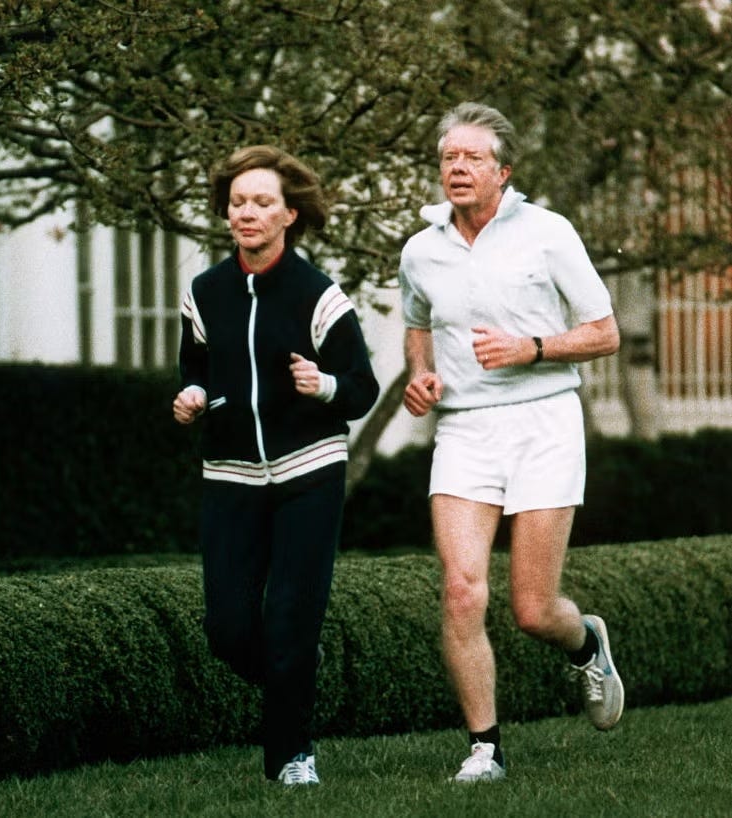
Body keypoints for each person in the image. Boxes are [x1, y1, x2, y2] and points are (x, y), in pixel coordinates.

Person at [399, 102, 624, 783]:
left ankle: (584, 641)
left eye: (472, 158)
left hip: (543, 421)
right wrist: (419, 375)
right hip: (465, 428)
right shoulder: (420, 248)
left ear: (504, 171)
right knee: (461, 592)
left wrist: (531, 348)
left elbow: (604, 332)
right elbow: (415, 321)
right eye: (448, 158)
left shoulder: (548, 233)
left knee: (531, 609)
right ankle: (485, 749)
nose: (457, 168)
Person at [173, 145, 379, 786]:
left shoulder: (319, 295)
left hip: (309, 472)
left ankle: (292, 757)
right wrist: (193, 396)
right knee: (227, 630)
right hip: (231, 477)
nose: (247, 213)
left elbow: (363, 389)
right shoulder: (204, 293)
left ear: (289, 214)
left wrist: (323, 387)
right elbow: (195, 368)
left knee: (289, 615)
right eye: (237, 202)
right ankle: (296, 670)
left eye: (262, 202)